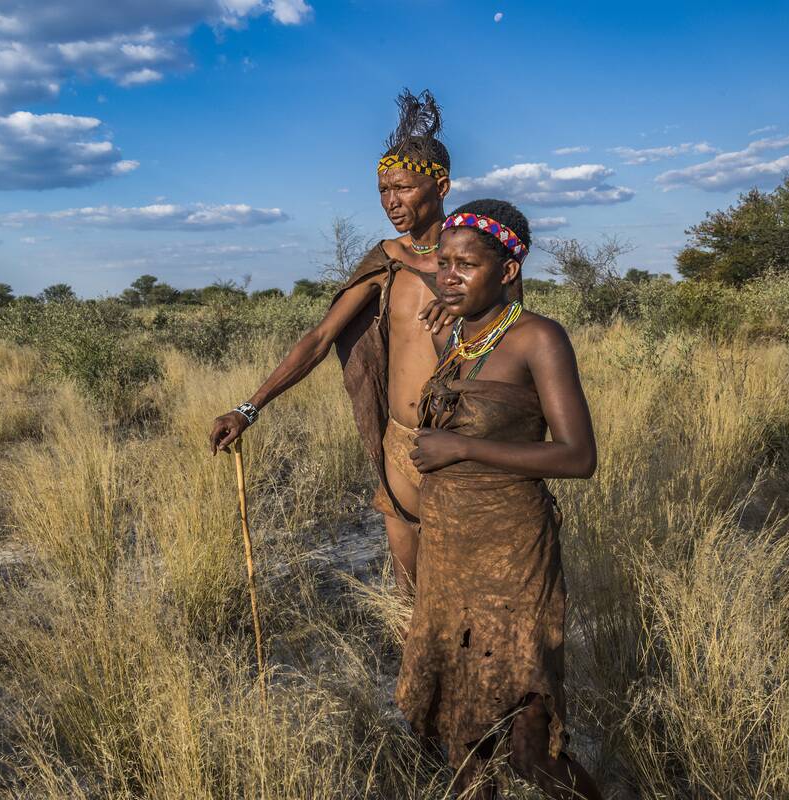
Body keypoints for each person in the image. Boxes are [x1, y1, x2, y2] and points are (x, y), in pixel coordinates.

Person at [209, 89, 459, 596]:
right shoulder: (385, 261)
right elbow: (320, 337)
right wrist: (248, 409)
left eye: (404, 188)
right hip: (400, 446)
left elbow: (516, 332)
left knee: (463, 599)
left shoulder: (478, 259)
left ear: (441, 186)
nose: (391, 202)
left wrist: (462, 305)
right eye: (383, 190)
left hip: (465, 449)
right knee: (411, 600)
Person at [396, 199, 603, 799]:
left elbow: (576, 456)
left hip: (513, 560)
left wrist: (463, 452)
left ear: (507, 270)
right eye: (442, 263)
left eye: (467, 265)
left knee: (529, 745)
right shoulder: (458, 335)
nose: (448, 276)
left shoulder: (539, 338)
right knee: (461, 734)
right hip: (450, 558)